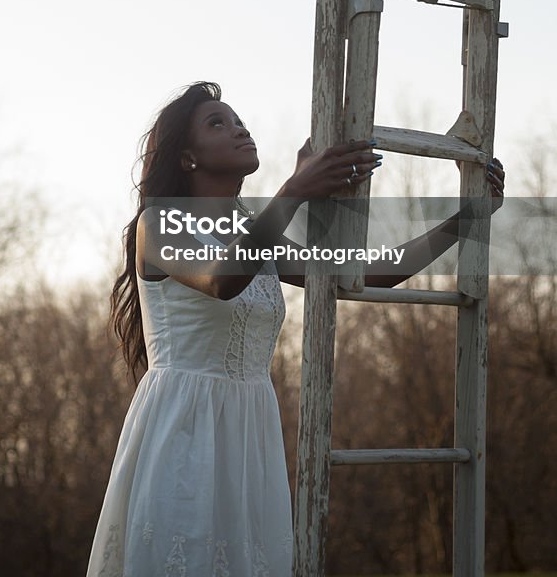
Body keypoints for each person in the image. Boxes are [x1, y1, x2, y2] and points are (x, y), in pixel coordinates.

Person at [85, 81, 505, 577]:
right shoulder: (158, 225)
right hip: (183, 430)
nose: (238, 127)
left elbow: (374, 270)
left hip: (251, 433)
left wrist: (468, 217)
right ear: (187, 158)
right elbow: (222, 280)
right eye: (216, 123)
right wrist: (295, 191)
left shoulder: (255, 235)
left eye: (238, 118)